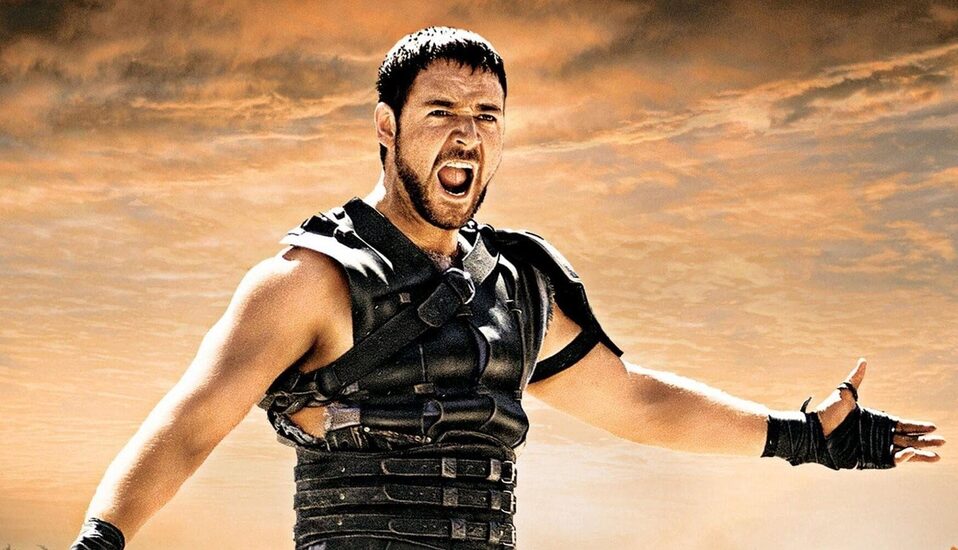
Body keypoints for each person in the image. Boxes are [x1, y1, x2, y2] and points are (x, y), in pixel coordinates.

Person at [72, 27, 945, 550]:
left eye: (485, 117)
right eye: (441, 113)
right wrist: (98, 544)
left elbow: (637, 402)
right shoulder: (308, 282)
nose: (466, 136)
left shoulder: (518, 286)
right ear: (386, 127)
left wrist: (805, 436)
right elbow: (188, 426)